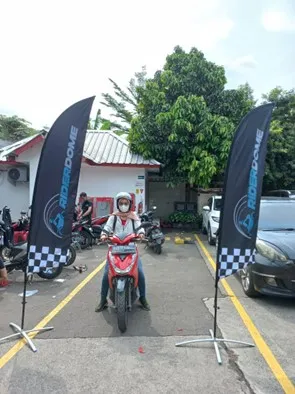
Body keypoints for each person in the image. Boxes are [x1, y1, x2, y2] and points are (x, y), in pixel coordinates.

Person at [95, 192, 150, 312]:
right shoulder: (113, 217)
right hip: (115, 248)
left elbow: (139, 227)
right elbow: (107, 228)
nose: (123, 205)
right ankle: (103, 300)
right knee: (106, 275)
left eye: (126, 203)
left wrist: (141, 234)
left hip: (131, 248)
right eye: (121, 203)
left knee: (140, 273)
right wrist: (104, 235)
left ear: (130, 204)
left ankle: (143, 298)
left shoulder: (134, 216)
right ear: (117, 204)